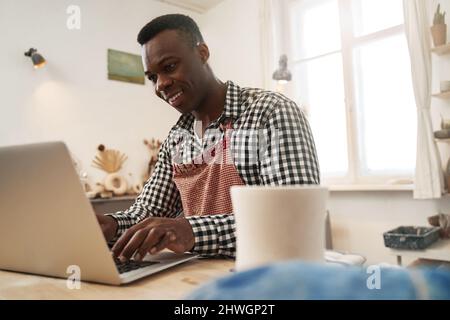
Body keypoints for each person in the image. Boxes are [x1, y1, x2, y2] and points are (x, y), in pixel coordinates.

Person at [96, 14, 320, 262]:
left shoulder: (270, 113)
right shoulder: (178, 138)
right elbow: (149, 211)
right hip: (204, 279)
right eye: (152, 77)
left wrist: (190, 231)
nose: (160, 84)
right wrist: (111, 225)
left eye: (169, 67)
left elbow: (292, 220)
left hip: (268, 278)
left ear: (202, 53)